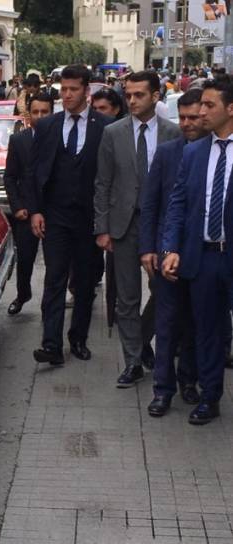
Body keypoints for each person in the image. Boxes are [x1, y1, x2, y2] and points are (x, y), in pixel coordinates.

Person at [94, 70, 181, 387]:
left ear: (156, 96)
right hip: (124, 225)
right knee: (125, 299)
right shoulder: (113, 133)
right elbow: (102, 183)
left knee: (164, 290)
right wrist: (101, 227)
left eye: (139, 95)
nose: (131, 100)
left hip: (161, 225)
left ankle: (144, 339)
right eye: (128, 95)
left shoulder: (174, 133)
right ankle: (132, 361)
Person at [29, 64, 113, 365]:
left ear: (86, 91)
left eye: (72, 89)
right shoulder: (47, 126)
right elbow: (35, 172)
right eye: (62, 90)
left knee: (86, 282)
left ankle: (78, 338)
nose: (66, 95)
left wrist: (105, 222)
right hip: (56, 216)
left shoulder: (104, 126)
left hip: (89, 219)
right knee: (54, 279)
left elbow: (110, 175)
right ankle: (51, 344)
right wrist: (36, 210)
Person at [161, 78, 233, 425]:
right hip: (203, 256)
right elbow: (177, 205)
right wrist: (171, 247)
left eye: (209, 105)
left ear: (230, 109)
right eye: (200, 105)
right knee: (207, 330)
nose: (201, 112)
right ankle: (210, 396)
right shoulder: (193, 152)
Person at [139, 88, 204, 417]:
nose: (188, 124)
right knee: (165, 324)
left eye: (195, 118)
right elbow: (150, 205)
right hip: (166, 254)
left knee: (194, 324)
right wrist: (148, 249)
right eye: (184, 118)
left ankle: (189, 382)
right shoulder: (166, 153)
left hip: (202, 257)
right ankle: (162, 390)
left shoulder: (215, 153)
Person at [4, 92, 53, 316]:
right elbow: (10, 177)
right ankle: (23, 294)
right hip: (25, 211)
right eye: (36, 112)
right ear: (28, 115)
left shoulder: (61, 139)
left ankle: (51, 304)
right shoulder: (18, 140)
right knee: (25, 259)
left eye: (45, 112)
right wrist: (17, 206)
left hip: (54, 212)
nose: (40, 116)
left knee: (56, 263)